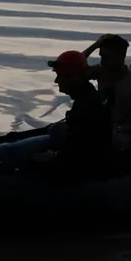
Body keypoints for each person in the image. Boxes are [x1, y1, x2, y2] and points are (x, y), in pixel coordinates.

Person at [32, 50, 113, 179]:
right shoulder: (90, 98)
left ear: (75, 78)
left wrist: (53, 157)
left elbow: (80, 153)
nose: (56, 80)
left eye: (61, 76)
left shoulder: (86, 108)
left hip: (84, 172)